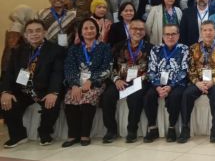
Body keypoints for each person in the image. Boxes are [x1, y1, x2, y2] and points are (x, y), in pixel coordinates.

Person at [1, 19, 65, 147]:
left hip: (45, 90)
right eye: (30, 31)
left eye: (38, 31)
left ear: (44, 32)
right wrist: (5, 91)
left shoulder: (56, 50)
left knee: (51, 104)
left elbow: (57, 73)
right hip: (23, 90)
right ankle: (18, 135)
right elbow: (9, 74)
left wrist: (53, 92)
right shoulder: (17, 51)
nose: (34, 34)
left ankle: (45, 133)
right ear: (25, 35)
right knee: (7, 100)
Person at [62, 18, 112, 147]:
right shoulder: (74, 49)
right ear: (81, 32)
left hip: (96, 82)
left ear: (97, 30)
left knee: (88, 97)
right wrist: (74, 84)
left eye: (92, 28)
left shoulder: (104, 47)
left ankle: (85, 134)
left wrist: (91, 81)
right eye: (85, 28)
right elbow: (69, 67)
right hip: (77, 82)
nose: (89, 31)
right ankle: (73, 135)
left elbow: (106, 68)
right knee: (70, 97)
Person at [101, 19, 151, 143]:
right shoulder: (118, 46)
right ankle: (111, 130)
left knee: (135, 97)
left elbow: (153, 69)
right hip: (121, 81)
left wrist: (139, 80)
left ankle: (132, 130)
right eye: (134, 28)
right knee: (107, 96)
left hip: (140, 81)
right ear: (129, 30)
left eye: (141, 29)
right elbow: (109, 66)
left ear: (145, 32)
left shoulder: (150, 48)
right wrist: (116, 80)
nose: (138, 31)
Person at [178, 21, 215, 143]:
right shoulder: (193, 48)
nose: (208, 33)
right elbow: (190, 69)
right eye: (205, 30)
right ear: (201, 32)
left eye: (210, 30)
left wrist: (213, 82)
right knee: (186, 94)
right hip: (198, 81)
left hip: (214, 82)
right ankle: (185, 127)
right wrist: (197, 83)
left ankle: (214, 128)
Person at [144, 24, 189, 143]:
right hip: (158, 83)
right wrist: (158, 87)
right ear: (163, 36)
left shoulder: (184, 49)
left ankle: (172, 127)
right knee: (149, 96)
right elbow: (151, 70)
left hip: (177, 83)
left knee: (175, 96)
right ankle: (152, 128)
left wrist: (170, 86)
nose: (170, 37)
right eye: (167, 34)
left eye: (173, 34)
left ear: (178, 35)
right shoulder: (156, 49)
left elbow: (184, 71)